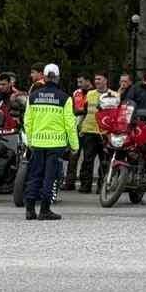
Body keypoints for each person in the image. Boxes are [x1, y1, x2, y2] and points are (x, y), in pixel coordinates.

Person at [23, 64, 77, 221]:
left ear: (44, 77)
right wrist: (74, 146)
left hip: (37, 144)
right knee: (49, 177)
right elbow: (70, 124)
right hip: (56, 144)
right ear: (58, 78)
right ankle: (45, 210)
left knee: (34, 176)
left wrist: (30, 141)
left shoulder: (32, 97)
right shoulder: (65, 98)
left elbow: (27, 121)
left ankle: (30, 210)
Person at [73, 74, 106, 194]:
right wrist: (80, 127)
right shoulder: (90, 94)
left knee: (104, 160)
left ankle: (102, 186)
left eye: (99, 79)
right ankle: (85, 185)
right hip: (89, 131)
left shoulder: (112, 95)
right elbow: (85, 111)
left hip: (104, 132)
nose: (97, 81)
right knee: (87, 160)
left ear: (105, 80)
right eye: (95, 79)